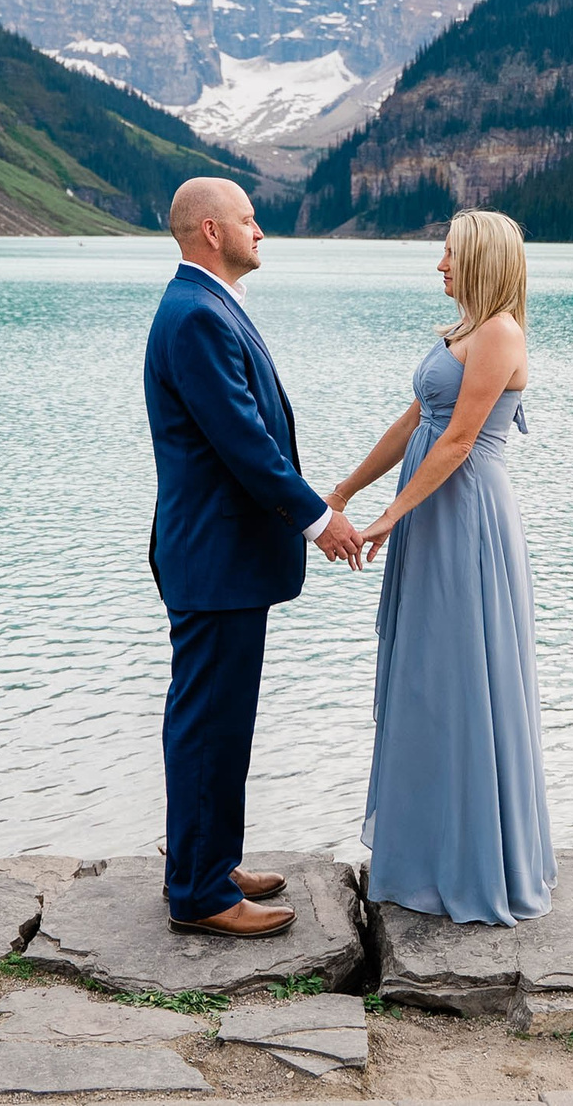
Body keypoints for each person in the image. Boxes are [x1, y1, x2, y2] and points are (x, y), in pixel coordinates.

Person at [143, 176, 364, 937]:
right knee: (208, 719)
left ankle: (209, 859)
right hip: (216, 555)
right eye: (247, 218)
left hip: (219, 554)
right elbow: (244, 441)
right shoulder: (198, 315)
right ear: (211, 231)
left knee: (219, 718)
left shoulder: (203, 304)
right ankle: (201, 893)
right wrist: (317, 518)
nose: (260, 228)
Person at [329, 209, 555, 924]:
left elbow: (458, 441)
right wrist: (346, 490)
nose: (439, 265)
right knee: (425, 673)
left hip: (465, 521)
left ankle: (472, 861)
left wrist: (394, 517)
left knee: (463, 674)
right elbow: (414, 423)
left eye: (450, 254)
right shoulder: (463, 330)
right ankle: (424, 852)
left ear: (482, 259)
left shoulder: (500, 333)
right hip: (431, 512)